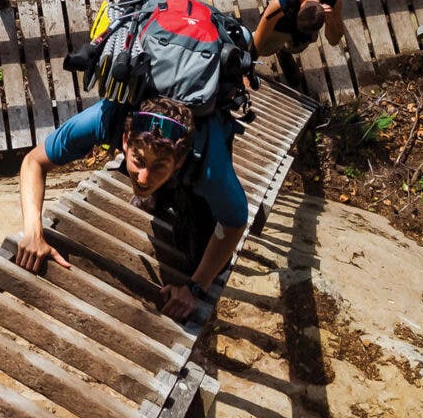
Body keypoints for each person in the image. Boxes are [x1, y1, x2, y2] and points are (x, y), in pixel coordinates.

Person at [14, 92, 250, 321]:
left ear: (179, 161)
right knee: (151, 185)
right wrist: (33, 232)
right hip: (166, 166)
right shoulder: (105, 119)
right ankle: (156, 194)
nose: (144, 177)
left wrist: (195, 288)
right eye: (139, 160)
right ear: (125, 140)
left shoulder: (210, 169)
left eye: (159, 166)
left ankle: (165, 192)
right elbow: (33, 161)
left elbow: (235, 223)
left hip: (192, 177)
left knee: (211, 264)